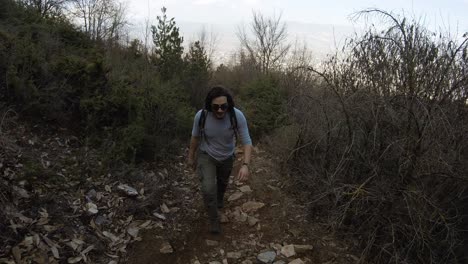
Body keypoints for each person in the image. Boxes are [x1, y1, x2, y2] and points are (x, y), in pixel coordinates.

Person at [188, 85, 253, 234]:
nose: (220, 110)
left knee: (223, 183)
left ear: (228, 105)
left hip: (227, 156)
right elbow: (195, 137)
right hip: (206, 155)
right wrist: (191, 157)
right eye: (215, 107)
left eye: (223, 106)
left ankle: (219, 201)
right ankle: (213, 219)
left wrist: (245, 165)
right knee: (208, 187)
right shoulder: (201, 116)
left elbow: (247, 142)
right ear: (209, 105)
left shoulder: (237, 116)